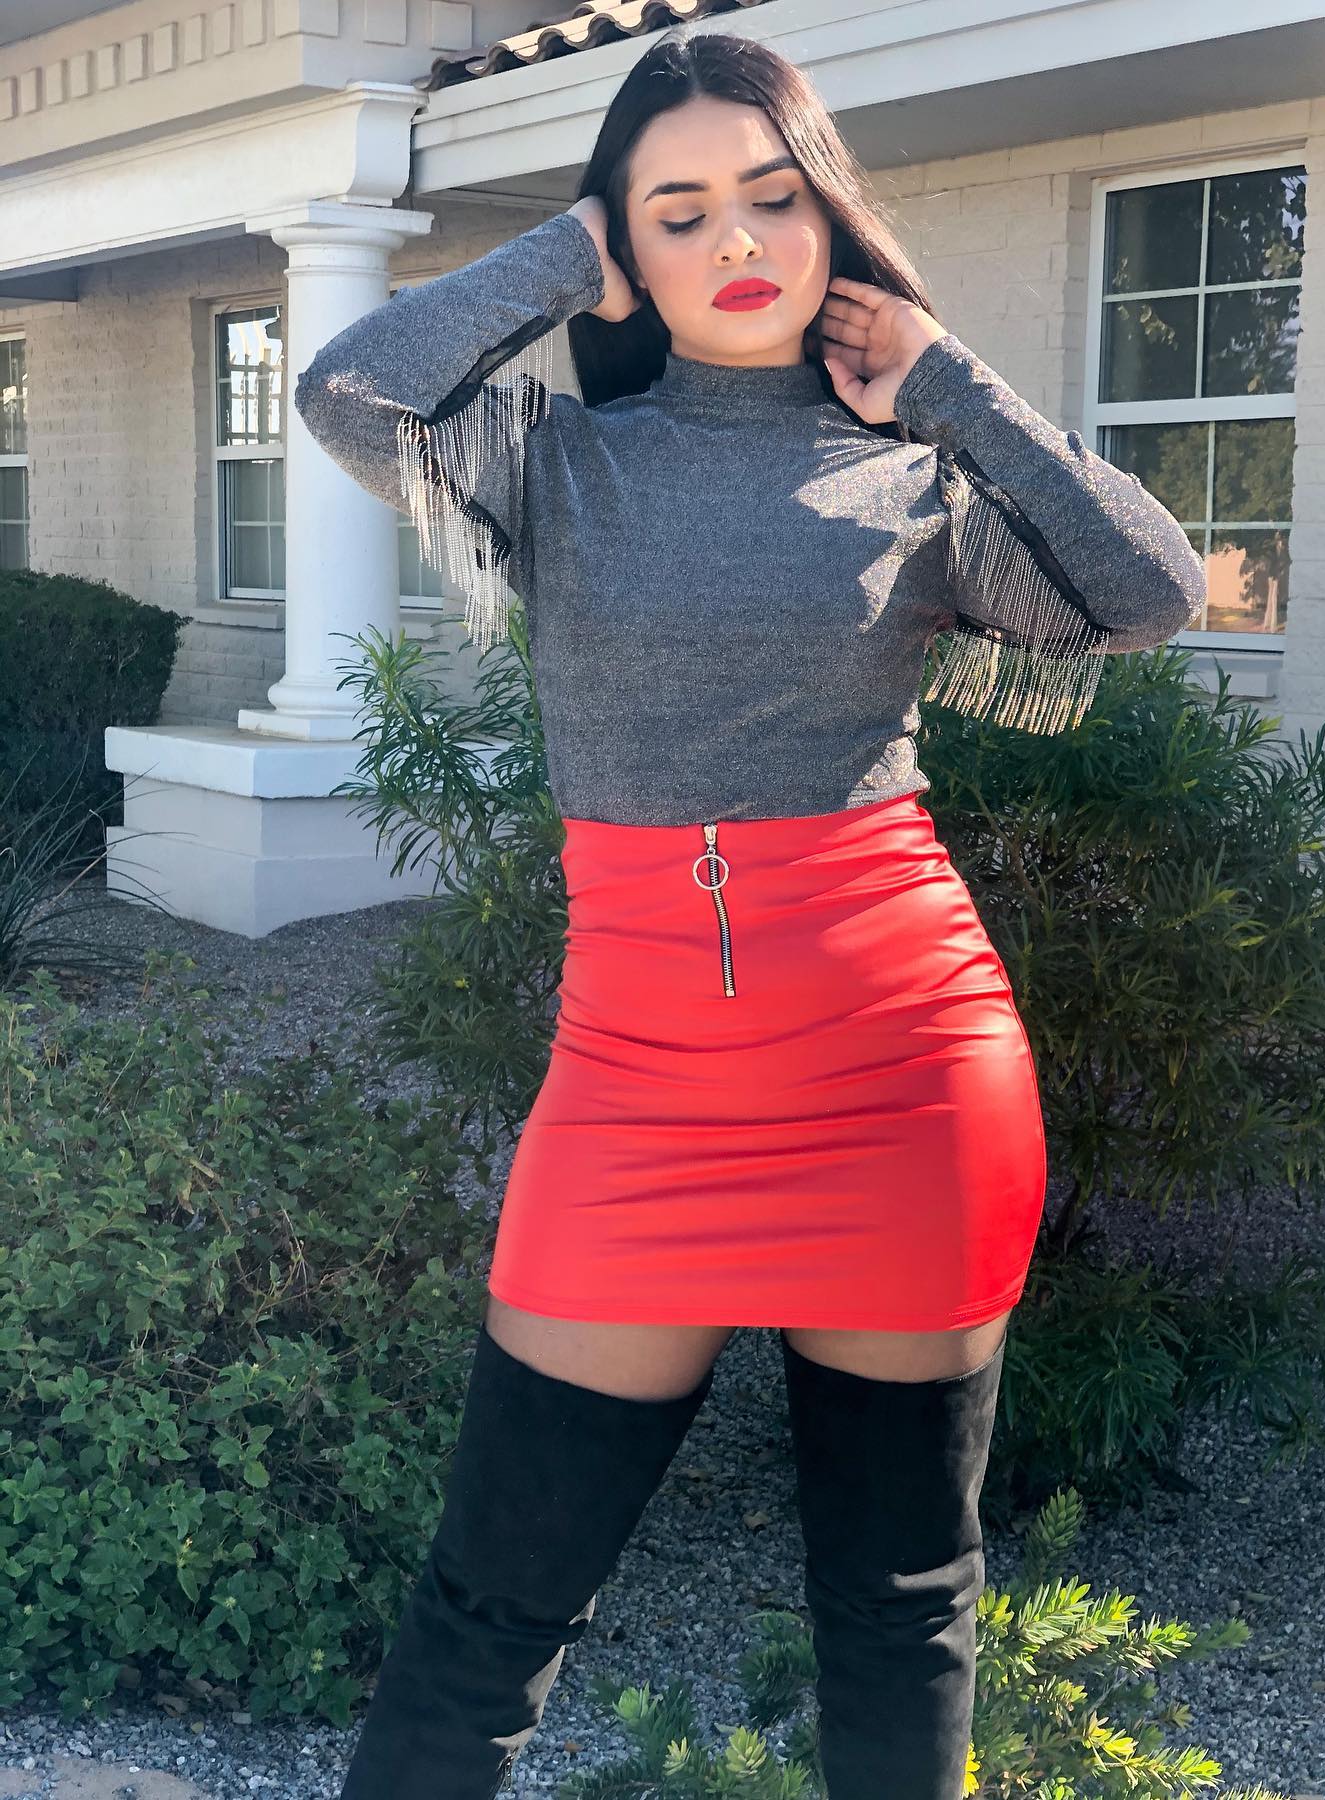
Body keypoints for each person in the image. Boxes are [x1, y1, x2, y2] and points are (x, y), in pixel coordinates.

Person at [294, 26, 1204, 1800]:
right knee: (486, 1613)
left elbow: (1147, 588)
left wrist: (945, 381)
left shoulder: (918, 475)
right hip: (632, 1094)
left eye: (776, 196)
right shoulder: (555, 462)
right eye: (681, 209)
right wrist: (566, 251)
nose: (738, 238)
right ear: (626, 247)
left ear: (830, 217)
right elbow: (350, 395)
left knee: (900, 1607)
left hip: (905, 1072)